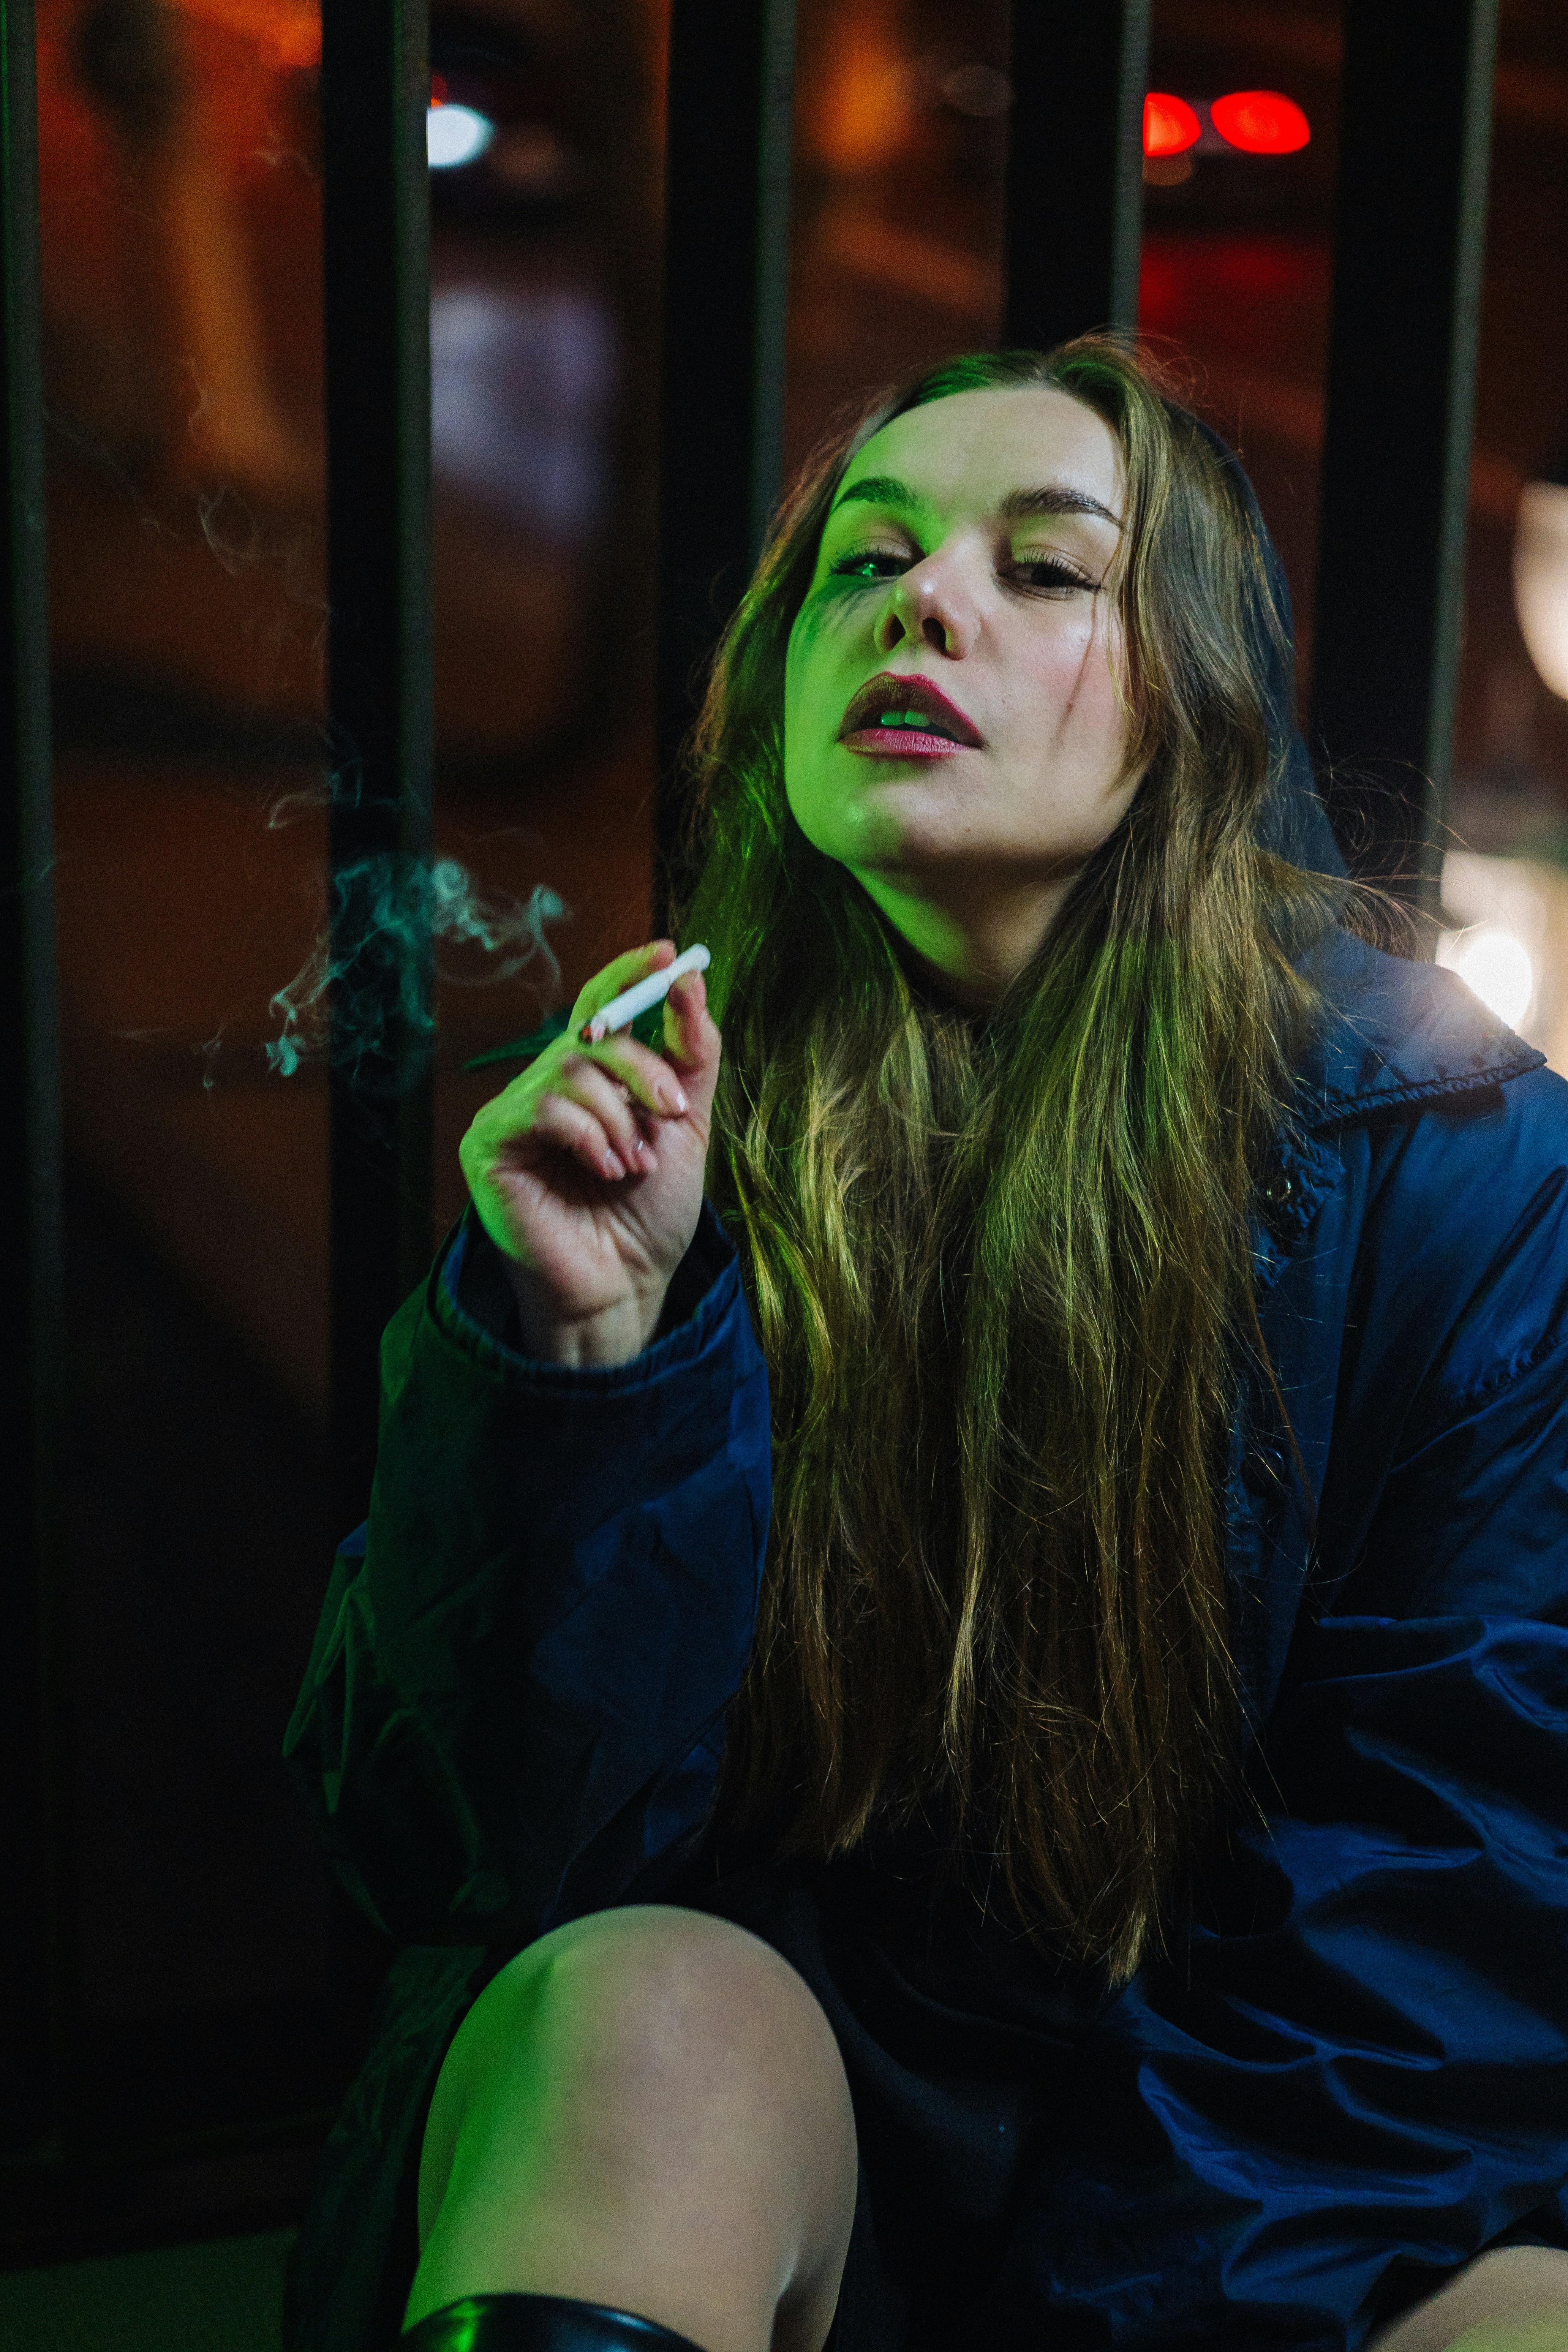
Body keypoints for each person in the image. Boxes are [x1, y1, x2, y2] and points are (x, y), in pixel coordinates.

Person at [283, 341, 1568, 2352]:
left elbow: (1451, 1895)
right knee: (634, 2011)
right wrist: (580, 1369)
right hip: (793, 2126)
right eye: (858, 563)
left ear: (1197, 701)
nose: (920, 599)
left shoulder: (1456, 1165)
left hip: (1270, 2169)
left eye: (1046, 569)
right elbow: (461, 1864)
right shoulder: (666, 1135)